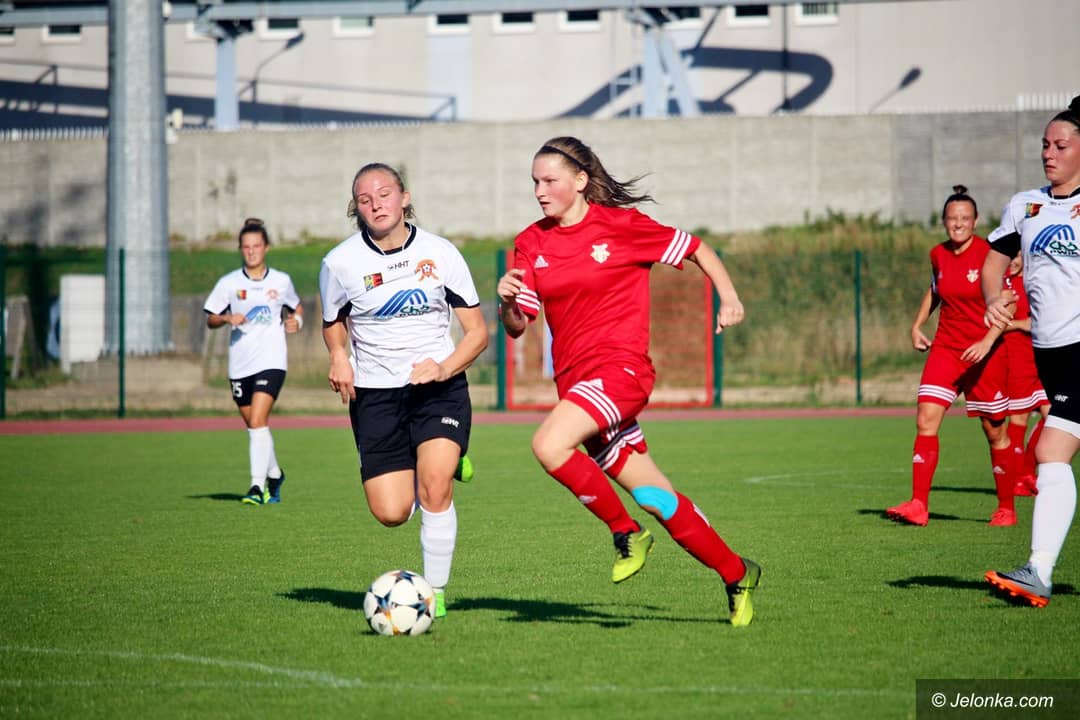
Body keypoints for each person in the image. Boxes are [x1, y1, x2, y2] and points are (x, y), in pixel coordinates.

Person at [496, 136, 761, 627]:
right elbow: (518, 326)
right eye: (534, 182)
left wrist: (729, 297)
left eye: (550, 180)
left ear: (580, 180)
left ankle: (626, 532)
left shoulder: (622, 226)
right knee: (656, 497)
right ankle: (738, 573)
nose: (539, 191)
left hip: (621, 372)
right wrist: (508, 303)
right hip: (577, 387)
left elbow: (697, 248)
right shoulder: (531, 242)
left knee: (548, 445)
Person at [319, 162, 487, 619]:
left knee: (435, 487)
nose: (376, 205)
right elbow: (332, 321)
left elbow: (477, 333)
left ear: (404, 198)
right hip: (375, 395)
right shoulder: (339, 263)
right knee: (391, 513)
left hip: (437, 387)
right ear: (356, 208)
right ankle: (439, 458)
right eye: (365, 200)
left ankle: (435, 594)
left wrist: (443, 367)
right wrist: (338, 356)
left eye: (385, 194)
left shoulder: (441, 253)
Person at [982, 95, 1080, 608]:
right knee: (1053, 453)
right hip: (1051, 352)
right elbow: (993, 262)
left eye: (1060, 145)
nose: (1049, 153)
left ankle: (1038, 571)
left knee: (1049, 451)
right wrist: (993, 298)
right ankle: (1037, 572)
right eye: (1045, 144)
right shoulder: (1025, 205)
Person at [886, 185, 1017, 527]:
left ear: (975, 221)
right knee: (925, 420)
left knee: (995, 431)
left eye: (965, 218)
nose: (958, 224)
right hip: (946, 349)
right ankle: (919, 504)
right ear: (944, 221)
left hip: (986, 354)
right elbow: (934, 291)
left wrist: (987, 342)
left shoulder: (990, 254)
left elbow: (1009, 302)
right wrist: (917, 325)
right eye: (952, 218)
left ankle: (1006, 507)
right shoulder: (938, 254)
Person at [203, 217, 303, 505]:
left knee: (259, 420)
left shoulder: (281, 281)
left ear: (266, 247)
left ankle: (256, 487)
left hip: (272, 360)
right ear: (240, 249)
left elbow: (296, 307)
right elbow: (210, 318)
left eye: (256, 246)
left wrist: (296, 321)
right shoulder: (229, 283)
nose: (251, 251)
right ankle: (275, 474)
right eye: (246, 247)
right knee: (254, 425)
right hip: (240, 363)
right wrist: (226, 318)